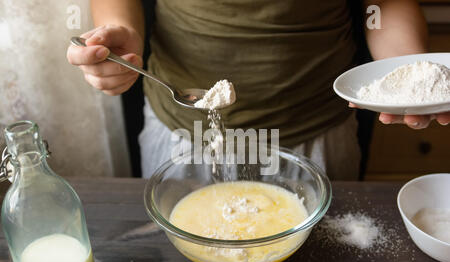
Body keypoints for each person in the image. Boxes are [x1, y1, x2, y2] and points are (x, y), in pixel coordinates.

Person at [67, 0, 450, 179]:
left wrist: (408, 74)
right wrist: (123, 34)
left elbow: (387, 4)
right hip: (182, 133)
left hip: (316, 134)